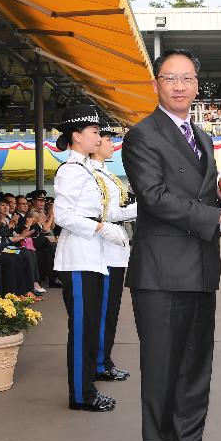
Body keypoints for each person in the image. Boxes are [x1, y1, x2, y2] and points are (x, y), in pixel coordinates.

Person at [122, 48, 221, 441]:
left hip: (199, 268)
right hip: (159, 274)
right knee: (161, 367)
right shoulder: (141, 136)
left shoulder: (202, 136)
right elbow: (154, 197)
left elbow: (200, 196)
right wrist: (217, 218)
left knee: (196, 365)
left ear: (197, 84)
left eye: (188, 78)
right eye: (170, 78)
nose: (179, 85)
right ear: (156, 84)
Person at [52, 104, 129, 414]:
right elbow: (63, 215)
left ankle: (86, 388)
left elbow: (104, 210)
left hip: (93, 256)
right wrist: (101, 227)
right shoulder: (70, 170)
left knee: (91, 324)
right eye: (95, 132)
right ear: (76, 136)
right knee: (82, 329)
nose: (99, 137)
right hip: (79, 257)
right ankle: (81, 395)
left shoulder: (84, 168)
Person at [90, 125, 137, 382]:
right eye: (107, 139)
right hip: (104, 250)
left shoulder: (106, 172)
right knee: (104, 309)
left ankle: (104, 359)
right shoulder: (92, 174)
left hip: (116, 249)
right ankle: (99, 362)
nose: (110, 143)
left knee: (111, 309)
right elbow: (106, 214)